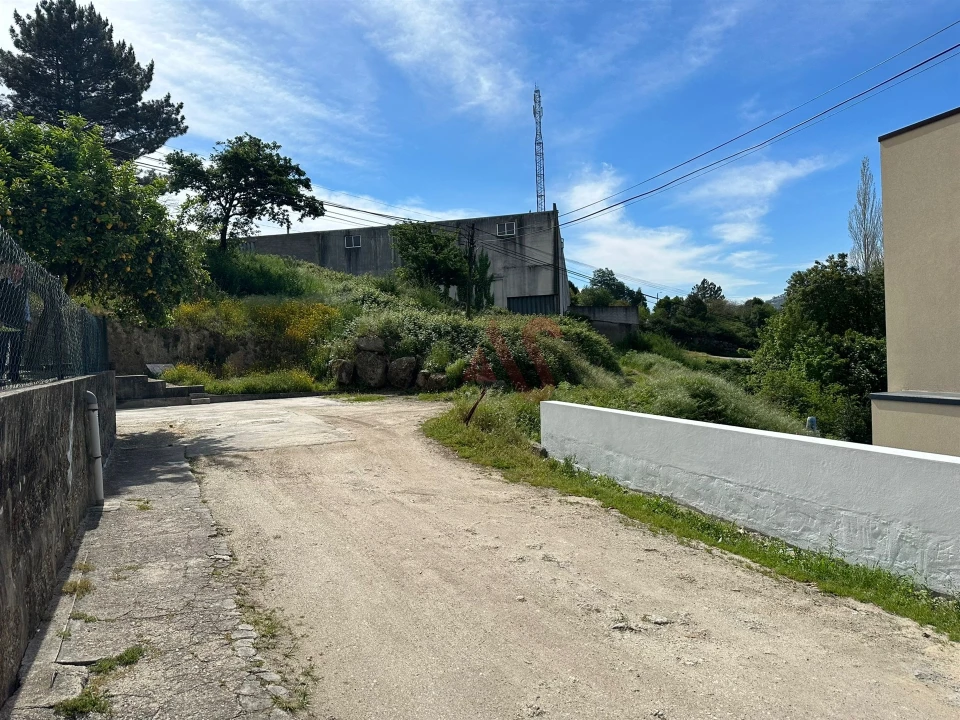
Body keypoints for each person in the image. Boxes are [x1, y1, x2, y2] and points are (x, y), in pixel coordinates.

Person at [0, 263, 30, 383]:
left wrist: (28, 319)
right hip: (3, 323)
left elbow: (26, 305)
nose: (17, 274)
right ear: (11, 271)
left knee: (17, 350)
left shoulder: (23, 288)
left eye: (20, 272)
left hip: (18, 324)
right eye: (16, 271)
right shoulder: (2, 284)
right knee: (1, 350)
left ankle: (14, 375)